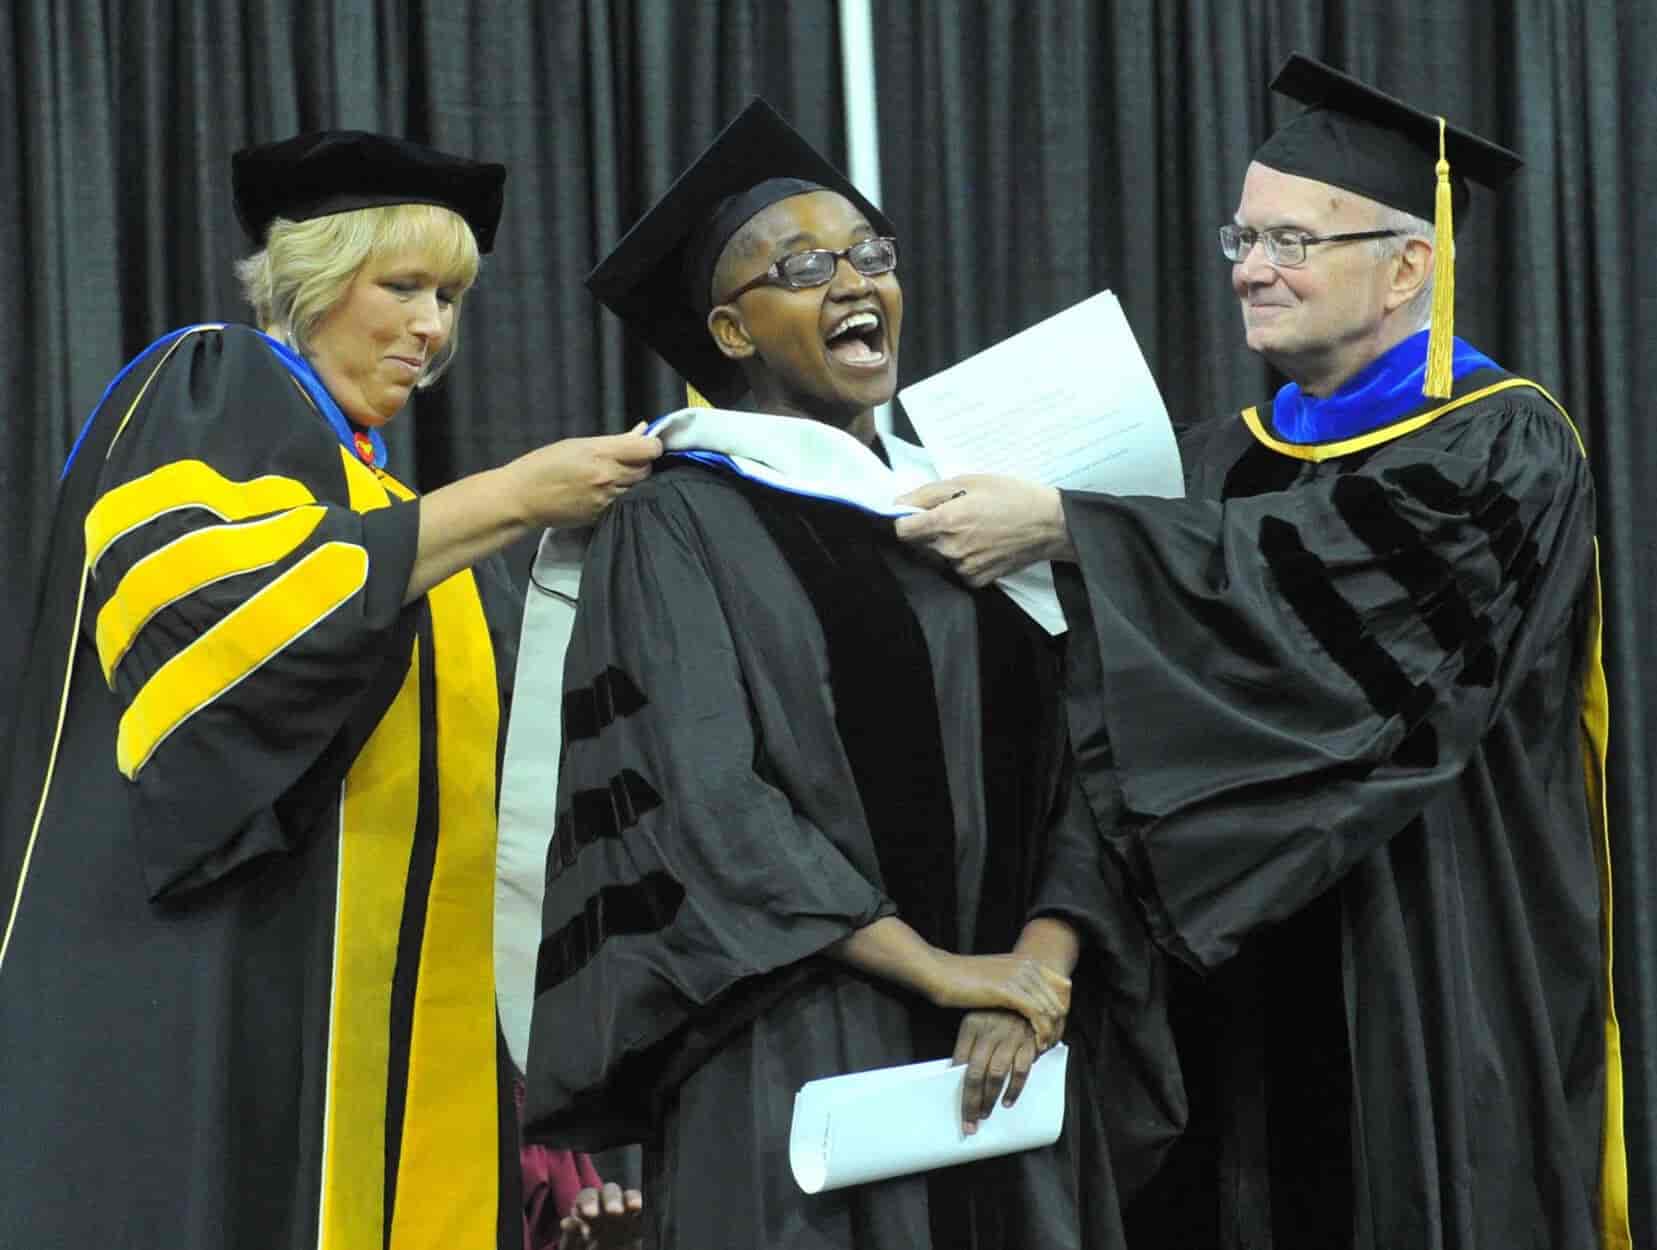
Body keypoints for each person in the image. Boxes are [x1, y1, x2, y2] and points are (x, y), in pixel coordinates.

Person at [895, 54, 1631, 1250]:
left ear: (1407, 265)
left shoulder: (1504, 447)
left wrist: (1073, 527)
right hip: (1215, 977)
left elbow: (1336, 625)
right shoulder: (1212, 464)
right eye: (1242, 234)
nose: (1248, 266)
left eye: (1292, 241)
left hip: (1418, 942)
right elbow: (1111, 704)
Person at [519, 99, 1179, 1250]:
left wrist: (1035, 959)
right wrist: (937, 969)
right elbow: (705, 804)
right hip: (800, 1046)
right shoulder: (678, 520)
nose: (852, 281)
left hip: (1012, 1054)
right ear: (730, 330)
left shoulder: (969, 508)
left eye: (871, 254)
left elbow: (1087, 749)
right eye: (804, 265)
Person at [0, 130, 660, 1250]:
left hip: (376, 1045)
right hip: (213, 1005)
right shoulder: (211, 384)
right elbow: (213, 638)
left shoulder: (382, 499)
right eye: (401, 285)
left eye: (449, 295)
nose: (432, 327)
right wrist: (509, 494)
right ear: (314, 278)